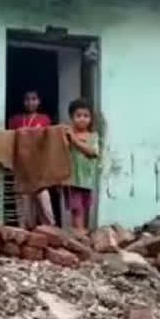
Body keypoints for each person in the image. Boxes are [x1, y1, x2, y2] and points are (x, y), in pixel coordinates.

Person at [7, 90, 55, 228]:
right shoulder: (15, 120)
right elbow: (11, 140)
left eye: (34, 99)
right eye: (27, 99)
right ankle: (26, 231)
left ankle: (50, 229)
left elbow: (49, 141)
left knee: (43, 198)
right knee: (24, 199)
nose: (30, 102)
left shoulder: (44, 119)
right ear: (23, 102)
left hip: (39, 165)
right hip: (21, 165)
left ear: (39, 101)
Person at [64, 98, 99, 233]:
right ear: (71, 118)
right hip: (72, 179)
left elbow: (92, 152)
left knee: (84, 208)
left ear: (90, 118)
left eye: (86, 116)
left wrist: (74, 140)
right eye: (78, 116)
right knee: (77, 210)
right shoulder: (67, 136)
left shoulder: (93, 136)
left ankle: (81, 235)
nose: (82, 119)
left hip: (87, 180)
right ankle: (79, 234)